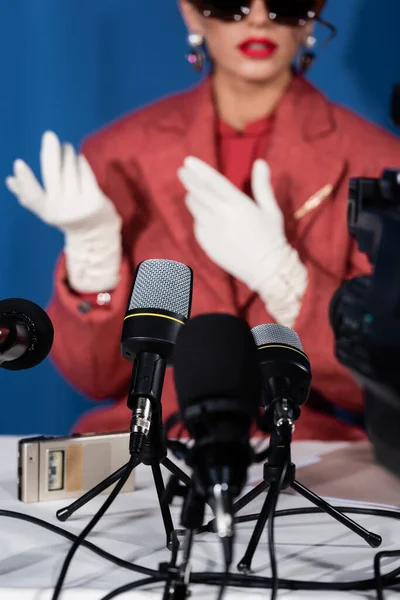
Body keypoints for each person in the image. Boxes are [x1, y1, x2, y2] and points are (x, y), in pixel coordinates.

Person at [6, 0, 400, 440]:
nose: (256, 17)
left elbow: (379, 386)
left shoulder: (377, 163)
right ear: (192, 13)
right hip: (151, 447)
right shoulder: (119, 154)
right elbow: (94, 377)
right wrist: (92, 253)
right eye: (230, 2)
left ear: (311, 16)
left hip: (301, 456)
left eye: (284, 4)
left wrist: (290, 282)